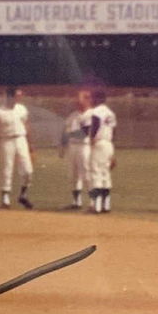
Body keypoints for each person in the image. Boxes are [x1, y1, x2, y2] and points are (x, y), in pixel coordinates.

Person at [0, 86, 33, 208]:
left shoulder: (21, 109)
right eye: (17, 96)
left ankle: (23, 195)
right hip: (6, 140)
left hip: (21, 139)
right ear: (10, 96)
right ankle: (5, 199)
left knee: (28, 170)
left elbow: (26, 125)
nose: (19, 98)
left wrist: (31, 145)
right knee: (7, 168)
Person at [59, 88, 93, 209]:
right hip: (72, 146)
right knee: (73, 175)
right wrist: (62, 146)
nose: (77, 101)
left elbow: (85, 133)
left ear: (88, 100)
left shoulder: (91, 114)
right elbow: (65, 131)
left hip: (84, 146)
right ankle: (76, 201)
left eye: (80, 98)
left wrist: (70, 134)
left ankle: (93, 202)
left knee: (86, 173)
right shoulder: (73, 115)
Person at [85, 86, 117, 216]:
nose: (91, 100)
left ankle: (97, 206)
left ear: (97, 99)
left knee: (96, 172)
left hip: (99, 143)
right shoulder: (111, 113)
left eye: (93, 98)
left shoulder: (96, 111)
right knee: (105, 173)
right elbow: (114, 131)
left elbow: (96, 125)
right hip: (109, 143)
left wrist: (91, 139)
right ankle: (106, 205)